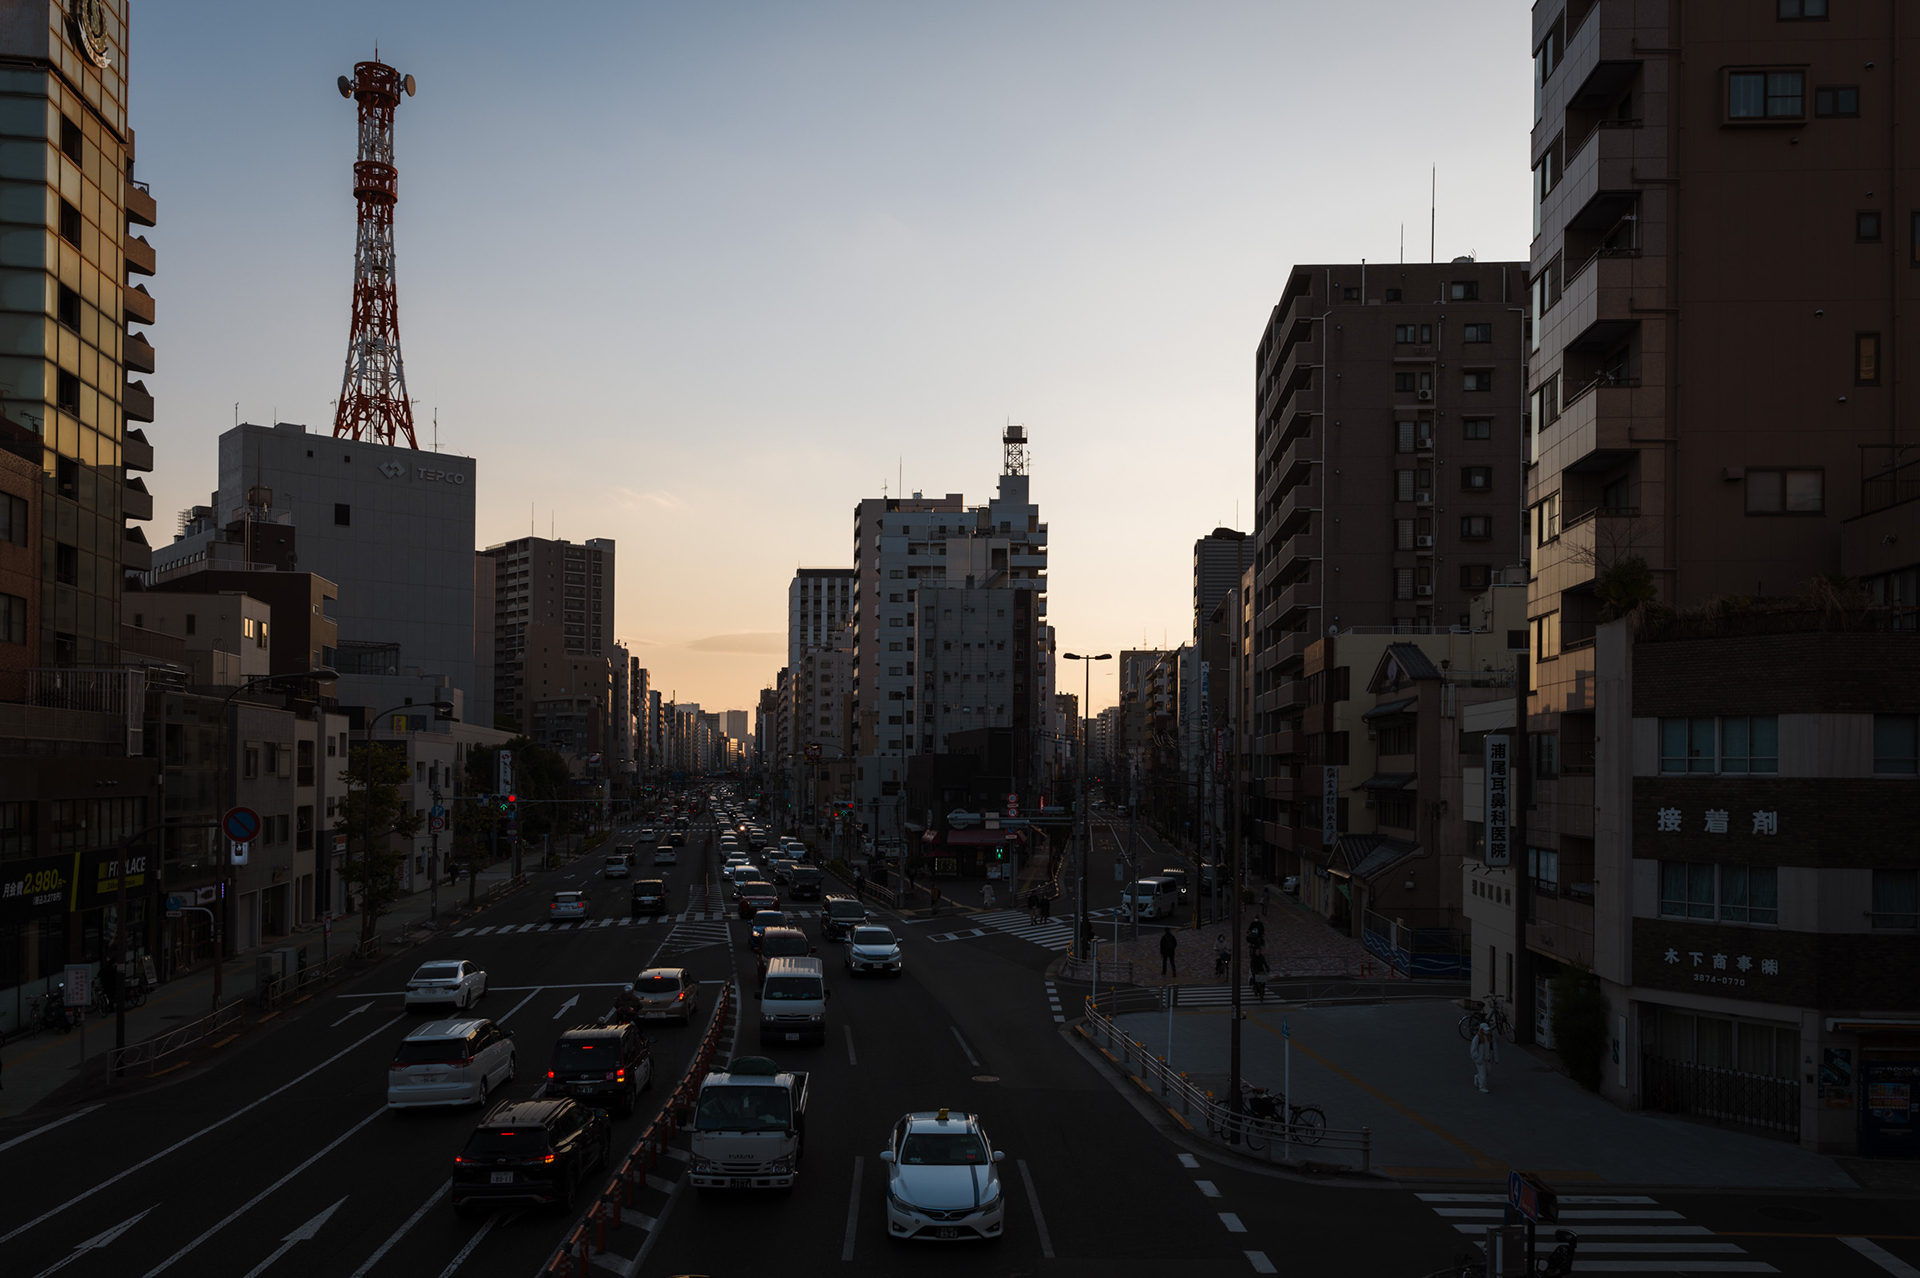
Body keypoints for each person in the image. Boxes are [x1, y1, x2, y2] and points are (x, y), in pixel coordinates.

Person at [1471, 1021, 1499, 1093]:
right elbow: (1473, 1049)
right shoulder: (1477, 1038)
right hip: (1481, 1059)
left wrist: (1496, 1058)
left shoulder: (1491, 1038)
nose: (1487, 1032)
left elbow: (1494, 1047)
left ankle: (1477, 1077)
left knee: (1488, 1072)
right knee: (1483, 1074)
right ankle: (1482, 1087)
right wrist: (1477, 1057)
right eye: (1485, 1030)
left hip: (1488, 1058)